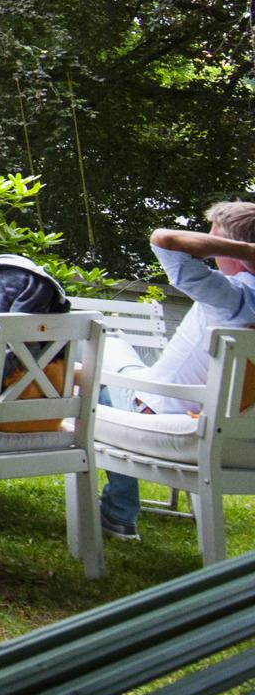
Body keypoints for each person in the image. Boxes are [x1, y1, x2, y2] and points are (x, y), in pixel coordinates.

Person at [99, 204, 255, 541]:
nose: (209, 254)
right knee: (113, 349)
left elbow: (164, 239)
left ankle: (119, 514)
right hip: (242, 437)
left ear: (236, 251)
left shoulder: (229, 296)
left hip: (166, 413)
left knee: (95, 366)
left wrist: (245, 251)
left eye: (212, 244)